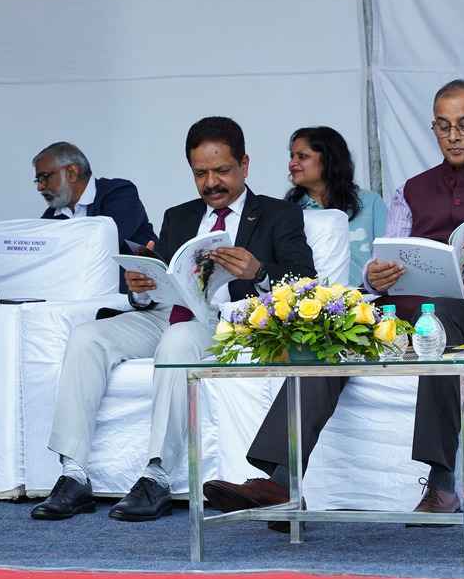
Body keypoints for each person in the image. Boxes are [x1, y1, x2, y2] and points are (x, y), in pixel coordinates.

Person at [203, 79, 464, 526]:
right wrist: (373, 278)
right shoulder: (411, 190)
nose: (453, 136)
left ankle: (441, 483)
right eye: (443, 126)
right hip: (405, 308)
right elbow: (386, 260)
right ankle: (282, 482)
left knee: (438, 322)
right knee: (331, 328)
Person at [31, 117, 316, 523]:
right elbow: (165, 281)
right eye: (200, 173)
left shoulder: (278, 214)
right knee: (87, 336)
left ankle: (157, 475)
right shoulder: (178, 216)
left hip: (226, 320)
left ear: (245, 164)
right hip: (168, 312)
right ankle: (73, 473)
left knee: (179, 339)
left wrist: (259, 272)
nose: (211, 183)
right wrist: (141, 286)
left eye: (222, 171)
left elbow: (304, 281)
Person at [34, 141, 157, 291]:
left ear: (71, 172)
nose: (40, 187)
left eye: (44, 177)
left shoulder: (119, 193)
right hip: (74, 298)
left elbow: (102, 243)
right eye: (38, 180)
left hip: (132, 297)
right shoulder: (50, 217)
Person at [285, 126, 386, 286]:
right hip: (313, 300)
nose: (292, 163)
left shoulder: (370, 202)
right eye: (292, 156)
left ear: (329, 159)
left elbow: (387, 257)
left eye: (302, 156)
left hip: (369, 297)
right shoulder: (288, 211)